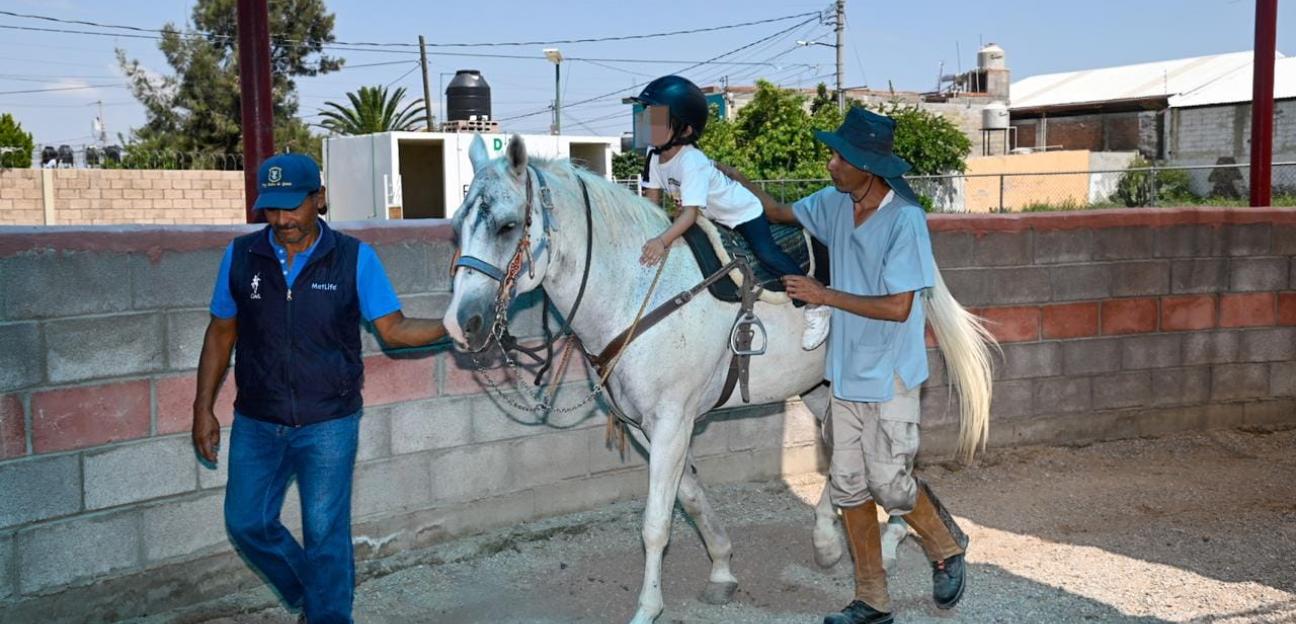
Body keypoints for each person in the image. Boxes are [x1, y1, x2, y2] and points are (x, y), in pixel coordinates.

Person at [729, 108, 969, 624]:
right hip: (846, 375)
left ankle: (946, 544)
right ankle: (871, 599)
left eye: (839, 155)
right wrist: (727, 177)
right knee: (847, 486)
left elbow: (899, 306)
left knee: (890, 484)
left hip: (890, 375)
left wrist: (822, 293)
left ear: (866, 165)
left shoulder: (905, 220)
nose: (831, 162)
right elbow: (775, 211)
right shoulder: (835, 202)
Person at [191, 153, 447, 624]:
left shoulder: (353, 258)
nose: (282, 220)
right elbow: (221, 332)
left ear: (319, 199)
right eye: (272, 209)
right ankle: (315, 597)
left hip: (329, 423)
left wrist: (453, 325)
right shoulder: (242, 256)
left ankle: (328, 616)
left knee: (325, 533)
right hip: (257, 422)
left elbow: (393, 330)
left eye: (293, 207)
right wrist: (202, 408)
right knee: (247, 522)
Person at [630, 74, 831, 350]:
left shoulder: (691, 161)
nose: (648, 124)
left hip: (743, 213)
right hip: (713, 215)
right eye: (648, 116)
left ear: (685, 130)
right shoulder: (654, 155)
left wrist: (662, 241)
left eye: (658, 118)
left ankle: (814, 302)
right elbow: (650, 205)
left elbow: (688, 215)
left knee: (766, 253)